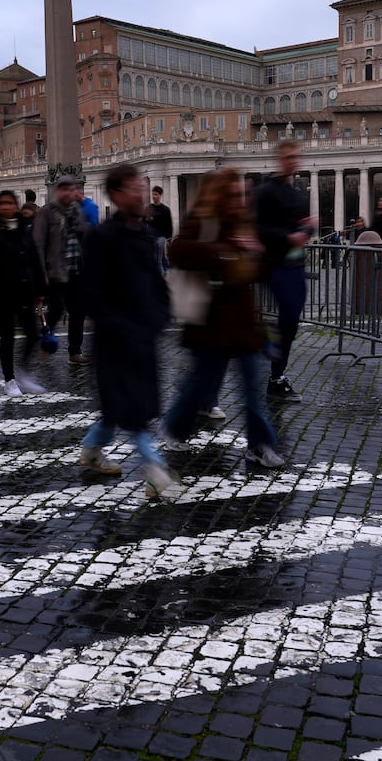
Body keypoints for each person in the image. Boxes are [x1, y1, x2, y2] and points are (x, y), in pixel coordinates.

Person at [161, 167, 285, 468]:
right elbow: (177, 250)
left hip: (242, 323)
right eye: (231, 195)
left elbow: (260, 268)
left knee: (251, 391)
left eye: (240, 194)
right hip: (210, 323)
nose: (237, 200)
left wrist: (260, 254)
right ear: (218, 195)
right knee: (199, 385)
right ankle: (175, 426)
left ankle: (260, 445)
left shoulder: (244, 224)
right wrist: (223, 254)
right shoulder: (201, 222)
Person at [77, 163, 179, 498]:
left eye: (142, 187)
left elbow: (155, 281)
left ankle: (91, 450)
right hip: (115, 340)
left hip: (142, 337)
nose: (142, 193)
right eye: (135, 187)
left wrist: (162, 314)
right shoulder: (103, 237)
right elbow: (90, 293)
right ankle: (155, 472)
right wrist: (122, 326)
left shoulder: (142, 235)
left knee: (119, 410)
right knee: (133, 413)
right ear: (119, 195)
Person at [255, 140, 315, 402]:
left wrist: (309, 228)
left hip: (296, 263)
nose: (293, 161)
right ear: (280, 159)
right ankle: (262, 341)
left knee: (291, 321)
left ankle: (276, 377)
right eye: (288, 156)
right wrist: (289, 237)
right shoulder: (265, 192)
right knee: (287, 316)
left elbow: (304, 226)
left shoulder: (298, 192)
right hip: (274, 263)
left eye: (296, 157)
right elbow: (258, 228)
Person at [0, 189, 47, 395]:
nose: (6, 207)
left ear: (16, 206)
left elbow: (34, 260)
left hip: (24, 289)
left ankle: (23, 372)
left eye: (9, 203)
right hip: (1, 292)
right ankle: (9, 380)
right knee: (7, 337)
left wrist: (41, 289)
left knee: (33, 334)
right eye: (2, 203)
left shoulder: (24, 230)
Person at [32, 174, 90, 364]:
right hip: (55, 270)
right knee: (56, 309)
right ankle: (46, 342)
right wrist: (41, 273)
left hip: (77, 268)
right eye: (64, 189)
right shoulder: (46, 212)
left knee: (78, 311)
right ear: (58, 191)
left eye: (71, 189)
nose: (68, 193)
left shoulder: (77, 210)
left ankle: (75, 351)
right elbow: (38, 244)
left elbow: (84, 237)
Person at [147, 185, 175, 273]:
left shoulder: (165, 210)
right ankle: (166, 271)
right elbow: (143, 222)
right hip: (151, 236)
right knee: (159, 257)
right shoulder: (149, 208)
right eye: (153, 194)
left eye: (156, 194)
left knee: (157, 259)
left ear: (160, 195)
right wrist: (148, 219)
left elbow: (169, 225)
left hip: (161, 237)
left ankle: (161, 277)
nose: (153, 196)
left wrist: (168, 239)